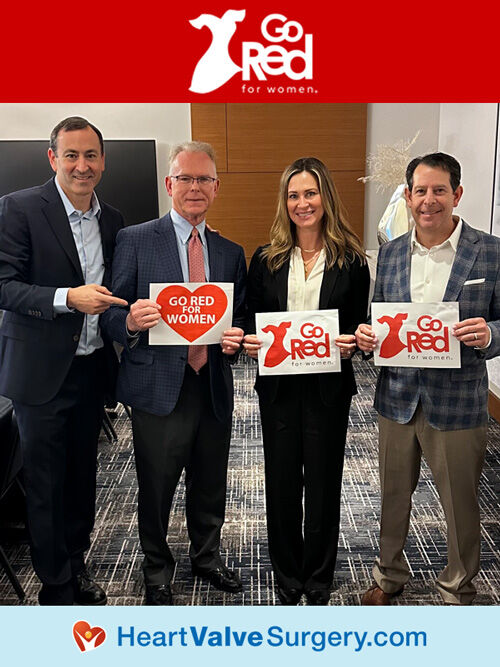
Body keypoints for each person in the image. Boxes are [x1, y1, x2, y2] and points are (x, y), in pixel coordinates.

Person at [100, 141, 247, 605]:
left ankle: (207, 557)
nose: (195, 188)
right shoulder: (136, 239)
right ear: (169, 185)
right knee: (157, 485)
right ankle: (156, 569)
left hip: (212, 384)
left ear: (216, 188)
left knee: (210, 480)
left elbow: (238, 315)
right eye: (185, 178)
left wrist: (235, 337)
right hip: (158, 386)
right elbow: (109, 311)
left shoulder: (228, 251)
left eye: (204, 179)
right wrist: (127, 321)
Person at [356, 152, 500, 605]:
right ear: (408, 195)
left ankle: (458, 585)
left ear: (457, 195)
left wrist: (491, 333)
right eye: (420, 191)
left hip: (457, 401)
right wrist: (366, 333)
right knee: (393, 496)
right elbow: (380, 318)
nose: (429, 200)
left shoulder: (491, 251)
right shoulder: (391, 251)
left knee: (459, 502)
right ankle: (389, 574)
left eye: (440, 190)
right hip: (396, 396)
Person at [0, 116, 127, 605]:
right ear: (53, 158)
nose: (81, 165)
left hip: (92, 368)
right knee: (46, 484)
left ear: (102, 161)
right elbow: (4, 286)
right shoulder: (20, 208)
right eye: (70, 155)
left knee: (81, 479)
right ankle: (56, 588)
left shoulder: (113, 219)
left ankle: (76, 565)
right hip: (39, 374)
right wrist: (64, 298)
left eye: (90, 155)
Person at [243, 157, 370, 605]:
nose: (302, 203)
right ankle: (287, 572)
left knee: (322, 483)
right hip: (278, 386)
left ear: (326, 198)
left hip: (327, 389)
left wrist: (355, 341)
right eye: (294, 195)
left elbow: (360, 324)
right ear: (285, 202)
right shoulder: (266, 258)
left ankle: (318, 575)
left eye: (310, 193)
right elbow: (248, 318)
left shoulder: (352, 260)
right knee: (280, 482)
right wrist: (250, 339)